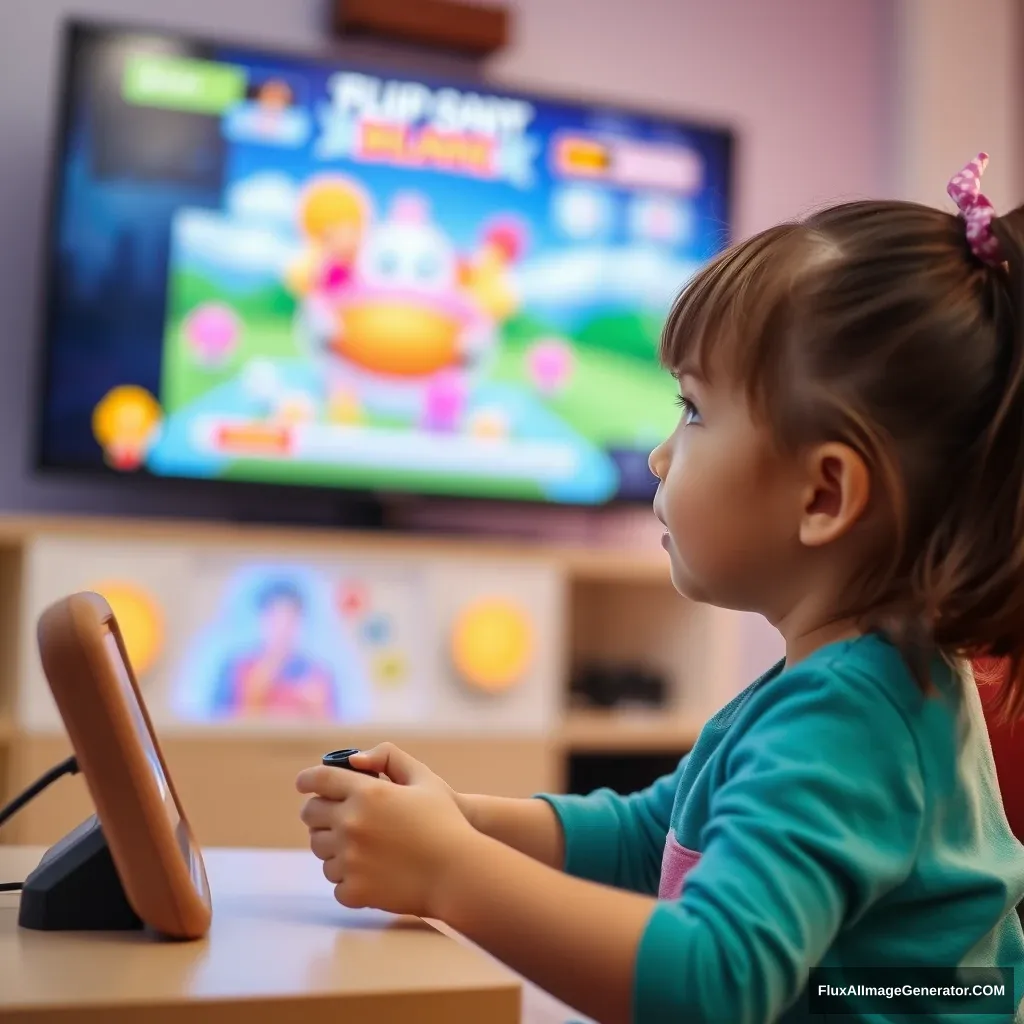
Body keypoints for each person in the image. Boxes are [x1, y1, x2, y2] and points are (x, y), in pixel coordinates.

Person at [296, 154, 1024, 1022]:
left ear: (824, 496)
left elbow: (710, 983)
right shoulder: (843, 685)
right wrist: (461, 819)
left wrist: (449, 871)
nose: (659, 455)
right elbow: (656, 840)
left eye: (693, 409)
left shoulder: (851, 721)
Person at [213, 580, 336, 719]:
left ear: (299, 622)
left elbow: (334, 730)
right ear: (263, 619)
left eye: (290, 617)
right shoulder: (234, 669)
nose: (282, 627)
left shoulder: (316, 675)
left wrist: (316, 711)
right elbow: (217, 725)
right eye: (275, 616)